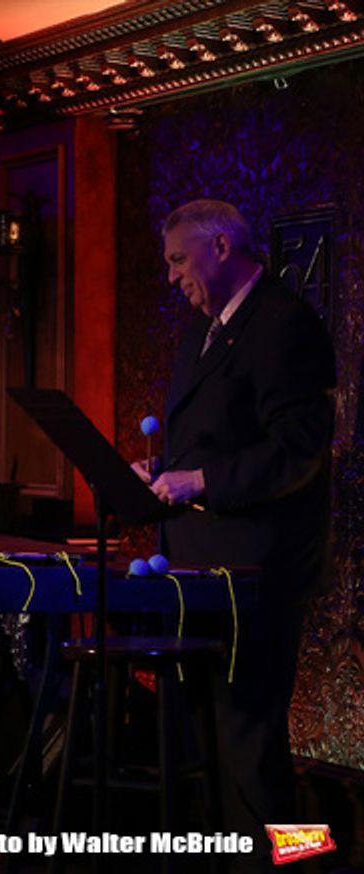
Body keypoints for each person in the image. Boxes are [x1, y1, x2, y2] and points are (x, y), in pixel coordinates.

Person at [134, 199, 335, 871]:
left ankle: (303, 863)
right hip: (199, 568)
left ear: (221, 247)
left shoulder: (285, 324)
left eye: (177, 260)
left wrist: (203, 482)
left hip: (255, 571)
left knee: (251, 738)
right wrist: (162, 471)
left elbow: (300, 449)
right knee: (215, 737)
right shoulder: (204, 333)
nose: (171, 277)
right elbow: (211, 442)